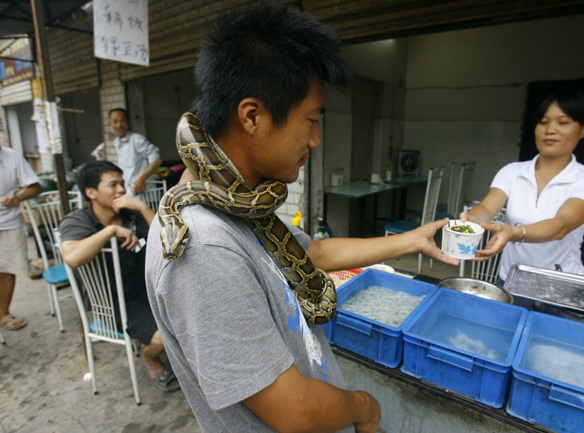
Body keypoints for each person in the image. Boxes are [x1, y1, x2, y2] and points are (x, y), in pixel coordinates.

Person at [145, 3, 459, 432]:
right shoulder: (203, 247)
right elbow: (296, 412)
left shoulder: (246, 208)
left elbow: (317, 251)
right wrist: (366, 407)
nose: (314, 139)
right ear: (252, 115)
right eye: (311, 120)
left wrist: (413, 240)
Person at [460, 90, 584, 286]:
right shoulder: (512, 171)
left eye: (563, 123)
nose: (550, 130)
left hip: (561, 284)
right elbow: (487, 208)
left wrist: (513, 233)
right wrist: (472, 220)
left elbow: (561, 226)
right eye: (543, 122)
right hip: (510, 280)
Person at [59, 161, 180, 392]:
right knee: (163, 337)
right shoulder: (78, 221)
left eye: (122, 184)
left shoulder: (131, 214)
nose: (121, 190)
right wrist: (110, 231)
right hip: (113, 302)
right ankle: (148, 356)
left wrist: (143, 208)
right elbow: (72, 256)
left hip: (147, 287)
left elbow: (169, 239)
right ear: (91, 192)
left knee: (190, 317)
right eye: (113, 185)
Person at [0, 146, 42, 330]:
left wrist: (17, 198)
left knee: (8, 268)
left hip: (9, 222)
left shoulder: (11, 156)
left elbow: (35, 187)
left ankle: (3, 313)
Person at [109, 108, 163, 197]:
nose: (119, 125)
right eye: (115, 121)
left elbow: (157, 160)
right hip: (129, 193)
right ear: (110, 124)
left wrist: (141, 179)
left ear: (128, 122)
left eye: (123, 121)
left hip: (145, 195)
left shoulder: (137, 139)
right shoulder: (117, 143)